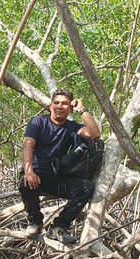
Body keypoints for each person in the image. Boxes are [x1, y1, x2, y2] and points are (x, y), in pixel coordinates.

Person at [19, 89, 101, 244]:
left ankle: (59, 227)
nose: (59, 106)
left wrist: (83, 110)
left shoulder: (72, 127)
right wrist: (29, 171)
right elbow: (28, 145)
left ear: (70, 108)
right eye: (56, 103)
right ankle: (35, 222)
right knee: (25, 181)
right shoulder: (38, 122)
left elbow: (95, 134)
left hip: (57, 178)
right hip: (36, 176)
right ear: (50, 106)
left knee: (86, 187)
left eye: (64, 104)